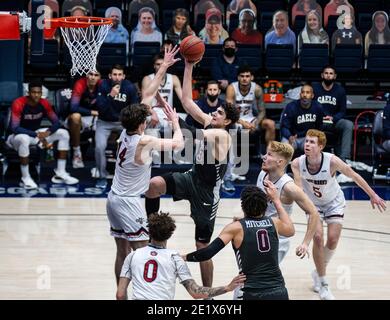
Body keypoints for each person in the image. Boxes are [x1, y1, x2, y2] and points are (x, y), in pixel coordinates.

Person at [145, 59, 240, 289]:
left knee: (202, 247)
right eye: (215, 111)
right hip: (193, 176)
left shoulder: (223, 135)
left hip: (207, 194)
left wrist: (176, 121)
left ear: (226, 121)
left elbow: (191, 134)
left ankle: (207, 292)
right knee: (153, 185)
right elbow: (187, 101)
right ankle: (152, 231)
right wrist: (189, 66)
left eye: (218, 113)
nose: (213, 113)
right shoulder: (211, 123)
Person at [108, 45, 185, 284]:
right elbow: (178, 144)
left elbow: (148, 95)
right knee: (142, 252)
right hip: (130, 203)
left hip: (113, 199)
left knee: (122, 251)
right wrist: (175, 121)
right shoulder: (144, 140)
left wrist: (163, 67)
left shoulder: (125, 133)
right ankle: (144, 294)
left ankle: (121, 295)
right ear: (142, 123)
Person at [291, 129, 386, 300]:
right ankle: (323, 282)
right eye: (306, 141)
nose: (307, 145)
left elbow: (354, 176)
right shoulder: (297, 163)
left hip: (333, 201)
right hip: (313, 205)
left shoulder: (331, 161)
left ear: (321, 146)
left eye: (312, 142)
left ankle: (319, 269)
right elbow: (299, 190)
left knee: (333, 239)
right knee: (318, 237)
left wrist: (373, 195)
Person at [184, 185, 295, 300]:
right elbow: (290, 230)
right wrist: (276, 200)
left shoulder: (235, 228)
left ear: (243, 206)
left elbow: (208, 253)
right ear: (265, 205)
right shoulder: (274, 223)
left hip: (251, 291)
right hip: (278, 290)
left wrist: (183, 257)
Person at [117, 212, 246, 300]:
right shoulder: (175, 258)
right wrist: (227, 288)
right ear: (170, 233)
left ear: (149, 232)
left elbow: (120, 294)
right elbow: (196, 292)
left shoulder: (133, 256)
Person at [7, 81, 79, 189]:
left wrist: (48, 133)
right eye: (33, 92)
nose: (36, 95)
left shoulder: (44, 103)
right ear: (28, 92)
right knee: (24, 139)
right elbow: (15, 128)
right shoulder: (19, 103)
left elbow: (57, 123)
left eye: (38, 92)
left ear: (41, 93)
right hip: (15, 137)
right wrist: (37, 135)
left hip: (35, 134)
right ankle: (25, 178)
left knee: (63, 133)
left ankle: (60, 172)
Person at [223, 65, 275, 191]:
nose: (245, 79)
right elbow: (229, 112)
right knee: (232, 128)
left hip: (251, 119)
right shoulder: (232, 88)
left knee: (270, 124)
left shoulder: (257, 89)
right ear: (238, 77)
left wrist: (256, 123)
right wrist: (242, 122)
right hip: (235, 119)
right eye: (242, 76)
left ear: (251, 77)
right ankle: (229, 172)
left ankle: (268, 156)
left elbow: (262, 111)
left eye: (247, 76)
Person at [95, 64, 138, 188]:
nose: (117, 77)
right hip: (104, 122)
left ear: (123, 76)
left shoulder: (129, 87)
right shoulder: (103, 85)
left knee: (132, 146)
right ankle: (102, 177)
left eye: (120, 75)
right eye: (114, 74)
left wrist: (130, 125)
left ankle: (126, 178)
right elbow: (100, 108)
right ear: (110, 76)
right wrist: (111, 95)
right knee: (99, 147)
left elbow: (134, 108)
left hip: (123, 123)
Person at [312, 66, 354, 173]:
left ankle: (344, 159)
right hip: (318, 121)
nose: (328, 75)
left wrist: (333, 118)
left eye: (331, 73)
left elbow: (343, 111)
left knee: (348, 124)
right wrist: (321, 116)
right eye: (326, 73)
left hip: (333, 121)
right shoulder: (314, 88)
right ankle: (312, 158)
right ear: (322, 75)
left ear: (335, 76)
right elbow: (311, 106)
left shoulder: (340, 90)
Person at [67, 69, 101, 169]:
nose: (93, 77)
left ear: (99, 77)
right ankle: (77, 153)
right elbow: (73, 107)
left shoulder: (102, 85)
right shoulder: (80, 84)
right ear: (86, 75)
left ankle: (100, 159)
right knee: (75, 117)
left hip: (95, 118)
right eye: (91, 74)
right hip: (77, 118)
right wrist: (92, 112)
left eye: (96, 74)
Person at [142, 53, 183, 130]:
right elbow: (144, 103)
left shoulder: (173, 78)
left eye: (162, 64)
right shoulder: (147, 79)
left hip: (168, 112)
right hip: (153, 112)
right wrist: (152, 113)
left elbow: (183, 100)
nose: (160, 67)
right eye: (158, 64)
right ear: (154, 66)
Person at [280, 84, 324, 152]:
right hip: (292, 137)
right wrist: (289, 136)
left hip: (307, 138)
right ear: (300, 95)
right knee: (284, 149)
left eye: (307, 92)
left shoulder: (318, 107)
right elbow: (284, 127)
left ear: (312, 95)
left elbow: (319, 126)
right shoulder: (291, 107)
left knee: (315, 147)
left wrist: (314, 138)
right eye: (303, 92)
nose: (305, 95)